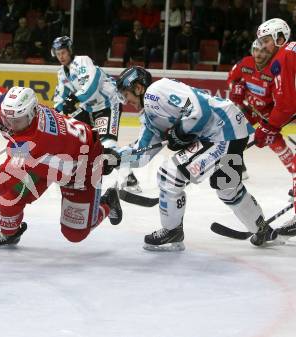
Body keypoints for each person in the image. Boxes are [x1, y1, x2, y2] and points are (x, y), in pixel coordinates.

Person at [106, 66, 275, 250]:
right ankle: (261, 228)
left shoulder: (156, 92)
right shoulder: (149, 116)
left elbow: (199, 110)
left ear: (138, 88)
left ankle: (172, 231)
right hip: (229, 129)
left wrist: (180, 131)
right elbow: (142, 153)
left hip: (223, 129)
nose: (126, 100)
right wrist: (116, 158)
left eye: (126, 94)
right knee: (226, 187)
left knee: (169, 174)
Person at [0, 87, 122, 246]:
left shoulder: (33, 143)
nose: (10, 125)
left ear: (32, 114)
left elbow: (1, 180)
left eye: (16, 122)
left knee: (75, 234)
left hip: (81, 166)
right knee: (8, 201)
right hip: (45, 161)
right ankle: (10, 235)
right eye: (7, 120)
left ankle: (108, 202)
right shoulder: (15, 109)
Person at [51, 35, 141, 192]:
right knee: (75, 137)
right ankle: (78, 175)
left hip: (107, 104)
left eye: (63, 52)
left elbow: (91, 86)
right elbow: (60, 97)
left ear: (70, 51)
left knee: (106, 145)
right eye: (58, 53)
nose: (61, 56)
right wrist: (55, 111)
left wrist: (74, 99)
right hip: (89, 109)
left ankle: (129, 178)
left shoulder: (82, 61)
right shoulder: (62, 74)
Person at [254, 18, 296, 238]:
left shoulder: (282, 57)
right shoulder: (290, 51)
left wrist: (267, 128)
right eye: (260, 41)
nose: (262, 46)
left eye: (267, 40)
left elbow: (287, 105)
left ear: (281, 38)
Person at [227, 39, 293, 174]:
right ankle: (237, 167)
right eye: (256, 50)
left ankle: (293, 170)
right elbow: (231, 79)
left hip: (267, 113)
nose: (258, 54)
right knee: (232, 132)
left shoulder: (276, 69)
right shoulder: (245, 63)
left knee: (274, 140)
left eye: (263, 51)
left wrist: (272, 124)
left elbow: (280, 100)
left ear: (269, 53)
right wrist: (236, 88)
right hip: (248, 110)